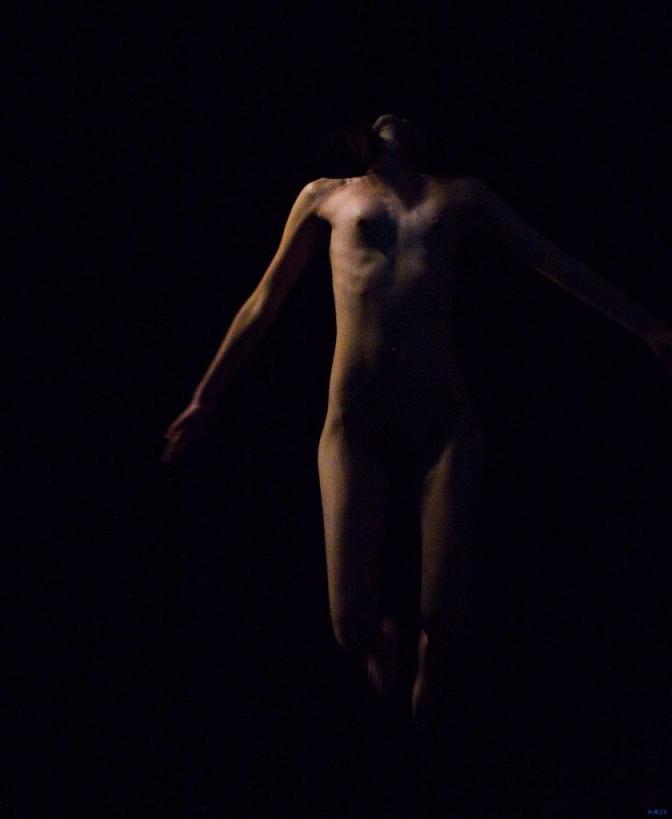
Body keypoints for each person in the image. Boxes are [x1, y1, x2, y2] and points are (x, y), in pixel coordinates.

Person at [163, 113, 672, 720]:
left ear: (424, 130)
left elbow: (551, 260)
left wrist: (647, 327)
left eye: (403, 114)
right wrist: (206, 395)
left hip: (442, 421)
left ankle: (433, 665)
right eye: (379, 115)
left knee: (444, 616)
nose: (391, 121)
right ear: (359, 132)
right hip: (355, 424)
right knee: (350, 624)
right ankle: (379, 642)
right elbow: (264, 298)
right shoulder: (327, 195)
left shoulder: (460, 195)